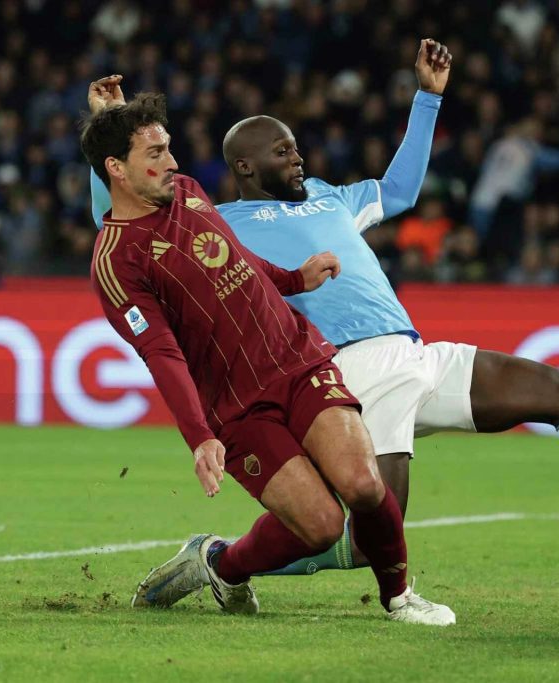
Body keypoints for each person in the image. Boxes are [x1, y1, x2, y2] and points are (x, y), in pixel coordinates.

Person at [88, 40, 559, 600]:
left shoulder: (331, 196)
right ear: (244, 165)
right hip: (347, 371)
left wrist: (428, 98)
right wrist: (112, 132)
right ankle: (221, 560)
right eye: (282, 150)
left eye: (295, 146)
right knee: (368, 539)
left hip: (414, 354)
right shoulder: (218, 219)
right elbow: (117, 219)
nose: (297, 156)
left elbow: (400, 189)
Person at [80, 91, 453, 625]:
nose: (173, 163)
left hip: (298, 361)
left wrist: (292, 279)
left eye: (169, 148)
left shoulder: (187, 192)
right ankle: (221, 564)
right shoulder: (117, 261)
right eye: (156, 154)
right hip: (236, 406)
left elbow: (237, 257)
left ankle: (398, 598)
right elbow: (160, 352)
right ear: (116, 168)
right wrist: (199, 437)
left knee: (364, 484)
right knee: (320, 526)